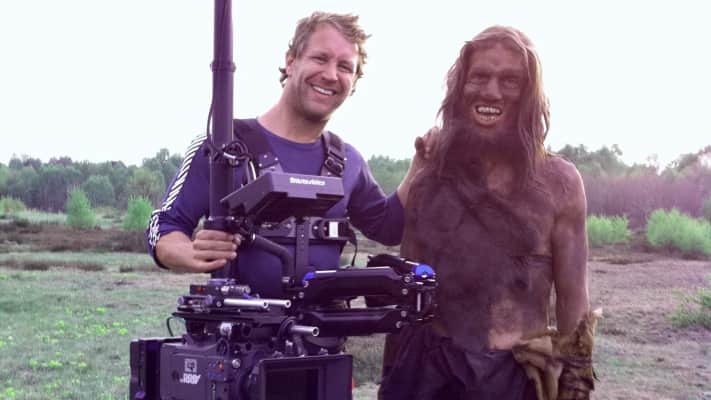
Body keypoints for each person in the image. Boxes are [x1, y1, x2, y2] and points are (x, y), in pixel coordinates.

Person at [379, 26, 595, 400]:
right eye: (479, 77)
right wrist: (391, 377)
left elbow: (573, 299)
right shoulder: (432, 178)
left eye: (510, 81)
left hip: (516, 377)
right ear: (461, 86)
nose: (491, 92)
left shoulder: (559, 183)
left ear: (528, 94)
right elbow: (408, 293)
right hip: (430, 374)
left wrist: (575, 384)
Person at [146, 12, 424, 299]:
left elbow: (388, 228)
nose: (331, 75)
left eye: (345, 67)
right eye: (320, 58)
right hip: (237, 325)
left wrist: (420, 166)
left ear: (354, 83)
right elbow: (163, 227)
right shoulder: (222, 146)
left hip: (324, 327)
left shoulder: (348, 161)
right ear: (291, 62)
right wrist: (191, 252)